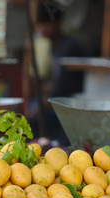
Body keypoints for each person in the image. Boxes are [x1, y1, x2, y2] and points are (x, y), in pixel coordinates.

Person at [29, 3, 87, 145]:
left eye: (46, 24)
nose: (42, 29)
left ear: (59, 24)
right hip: (58, 97)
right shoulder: (52, 46)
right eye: (40, 24)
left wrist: (43, 103)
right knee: (32, 109)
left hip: (72, 101)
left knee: (36, 114)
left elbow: (63, 87)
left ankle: (55, 147)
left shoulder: (69, 48)